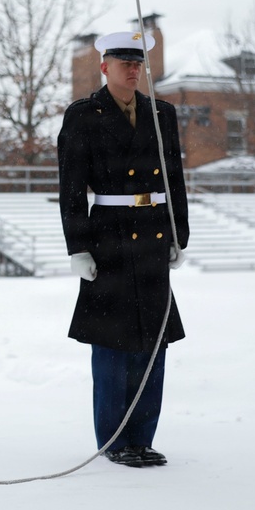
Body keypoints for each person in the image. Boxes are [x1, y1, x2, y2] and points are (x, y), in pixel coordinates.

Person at [57, 31, 189, 468]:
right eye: (123, 63)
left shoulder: (161, 114)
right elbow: (72, 187)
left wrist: (177, 234)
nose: (132, 70)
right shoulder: (83, 115)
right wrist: (78, 246)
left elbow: (174, 178)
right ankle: (115, 439)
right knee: (112, 345)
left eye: (138, 63)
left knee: (152, 343)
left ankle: (143, 437)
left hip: (152, 234)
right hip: (108, 236)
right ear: (105, 67)